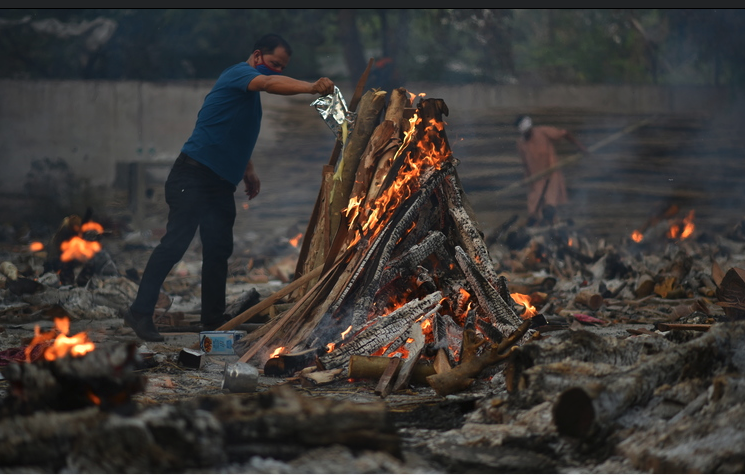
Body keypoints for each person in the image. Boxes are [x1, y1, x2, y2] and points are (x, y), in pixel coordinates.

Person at [124, 34, 335, 342]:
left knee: (218, 250)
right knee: (174, 245)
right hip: (192, 176)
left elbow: (234, 132)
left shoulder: (248, 95)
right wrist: (310, 87)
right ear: (258, 55)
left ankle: (212, 321)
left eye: (281, 67)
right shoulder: (241, 74)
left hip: (219, 185)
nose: (276, 71)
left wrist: (248, 170)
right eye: (274, 64)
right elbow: (269, 84)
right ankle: (140, 312)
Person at [515, 115, 588, 225]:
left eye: (528, 132)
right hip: (535, 179)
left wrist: (580, 147)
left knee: (550, 207)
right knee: (534, 209)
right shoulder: (521, 143)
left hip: (551, 174)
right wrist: (526, 180)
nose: (527, 134)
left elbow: (564, 133)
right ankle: (537, 233)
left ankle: (553, 229)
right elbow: (525, 164)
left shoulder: (543, 132)